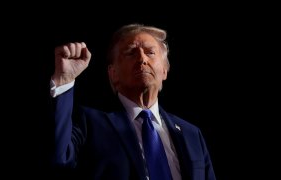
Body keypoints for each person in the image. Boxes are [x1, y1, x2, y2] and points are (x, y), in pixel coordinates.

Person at [50, 23, 216, 180]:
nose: (142, 59)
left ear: (164, 70)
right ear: (113, 73)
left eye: (150, 52)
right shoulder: (89, 122)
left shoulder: (192, 134)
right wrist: (64, 79)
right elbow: (58, 157)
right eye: (131, 52)